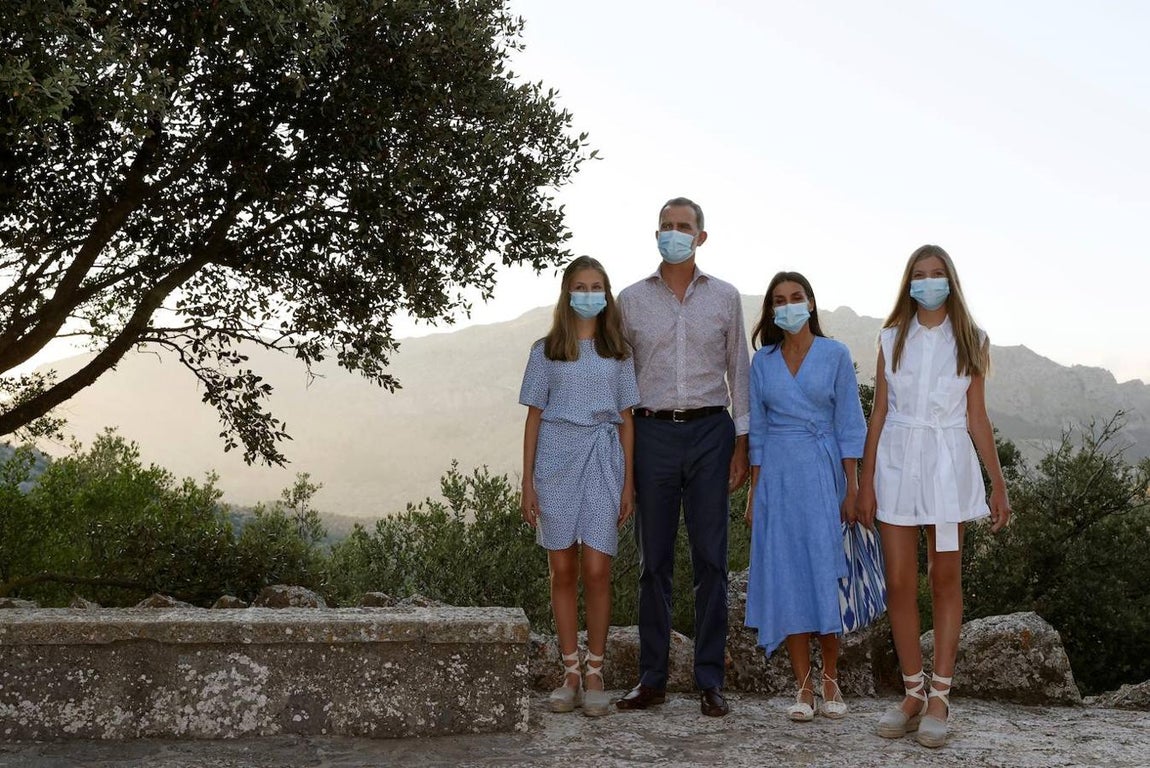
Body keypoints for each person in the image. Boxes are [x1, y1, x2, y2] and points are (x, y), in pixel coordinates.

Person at [856, 244, 1012, 748]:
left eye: (937, 274)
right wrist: (865, 480)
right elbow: (878, 411)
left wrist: (998, 483)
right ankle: (912, 692)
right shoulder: (890, 337)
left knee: (943, 576)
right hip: (898, 465)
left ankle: (941, 696)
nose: (928, 282)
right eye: (919, 275)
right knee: (899, 582)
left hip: (946, 466)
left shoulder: (972, 339)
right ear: (908, 282)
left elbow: (977, 416)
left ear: (951, 280)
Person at [615, 197, 750, 718]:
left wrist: (741, 443)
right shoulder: (630, 300)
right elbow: (622, 377)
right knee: (653, 562)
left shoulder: (726, 297)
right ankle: (652, 680)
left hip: (711, 433)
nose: (675, 233)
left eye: (684, 226)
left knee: (712, 560)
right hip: (651, 434)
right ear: (656, 234)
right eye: (667, 226)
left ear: (702, 236)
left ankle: (710, 679)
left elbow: (739, 370)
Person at [519, 255, 640, 718]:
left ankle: (596, 671)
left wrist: (628, 482)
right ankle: (569, 672)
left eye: (597, 286)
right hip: (554, 459)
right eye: (580, 285)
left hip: (604, 459)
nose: (589, 293)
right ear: (567, 292)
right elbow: (533, 416)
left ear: (606, 294)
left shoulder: (619, 352)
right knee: (563, 569)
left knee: (596, 568)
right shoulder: (545, 350)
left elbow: (628, 420)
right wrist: (527, 482)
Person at [743, 271, 867, 722]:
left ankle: (831, 676)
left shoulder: (835, 355)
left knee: (822, 573)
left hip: (821, 473)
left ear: (811, 303)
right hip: (776, 475)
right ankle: (802, 687)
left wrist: (852, 487)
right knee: (786, 575)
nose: (788, 305)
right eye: (779, 299)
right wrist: (754, 495)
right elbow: (756, 431)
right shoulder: (763, 363)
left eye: (796, 297)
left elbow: (851, 424)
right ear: (771, 310)